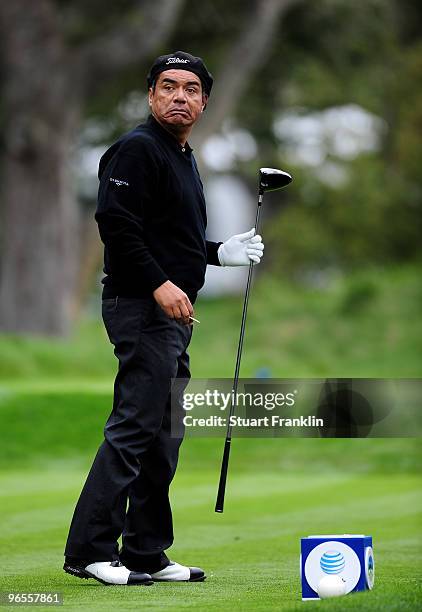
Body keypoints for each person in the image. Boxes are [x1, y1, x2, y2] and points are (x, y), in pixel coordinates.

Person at [63, 51, 264, 586]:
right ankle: (89, 551)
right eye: (169, 86)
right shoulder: (136, 149)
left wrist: (221, 252)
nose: (180, 96)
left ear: (203, 102)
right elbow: (118, 226)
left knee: (162, 436)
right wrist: (159, 285)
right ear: (151, 96)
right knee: (134, 427)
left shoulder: (181, 155)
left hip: (170, 315)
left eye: (191, 89)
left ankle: (145, 552)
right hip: (139, 308)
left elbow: (170, 239)